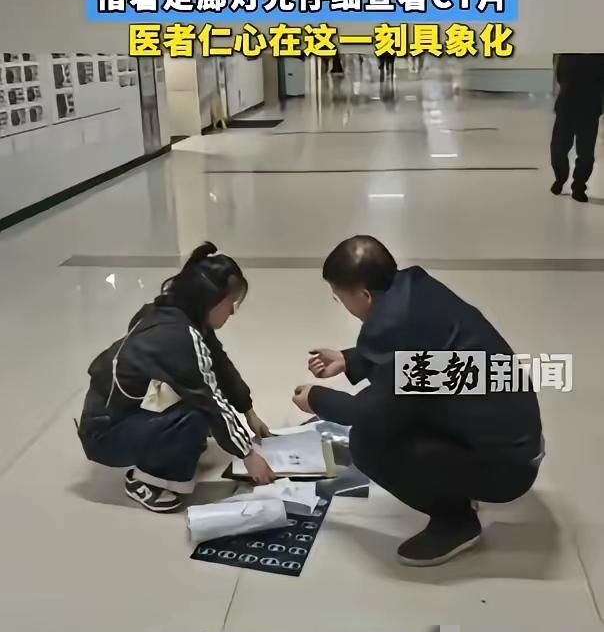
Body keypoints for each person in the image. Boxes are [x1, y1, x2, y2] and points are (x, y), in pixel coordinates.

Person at [292, 236, 544, 566]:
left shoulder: (392, 326)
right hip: (516, 440)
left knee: (368, 442)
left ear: (364, 296)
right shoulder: (416, 290)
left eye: (340, 297)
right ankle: (459, 480)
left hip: (508, 468)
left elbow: (367, 410)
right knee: (397, 418)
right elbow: (413, 364)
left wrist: (316, 398)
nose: (341, 304)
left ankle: (456, 522)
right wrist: (348, 359)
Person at [77, 243, 275, 513]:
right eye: (231, 303)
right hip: (105, 433)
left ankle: (166, 442)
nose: (232, 311)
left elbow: (219, 364)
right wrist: (248, 455)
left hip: (117, 414)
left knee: (198, 411)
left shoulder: (175, 313)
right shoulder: (178, 336)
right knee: (198, 413)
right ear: (211, 300)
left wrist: (248, 411)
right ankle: (146, 480)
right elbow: (210, 399)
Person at [550, 53, 604, 203]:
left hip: (590, 108)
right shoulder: (565, 53)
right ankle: (560, 179)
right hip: (566, 106)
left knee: (585, 153)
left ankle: (579, 186)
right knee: (558, 149)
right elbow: (559, 76)